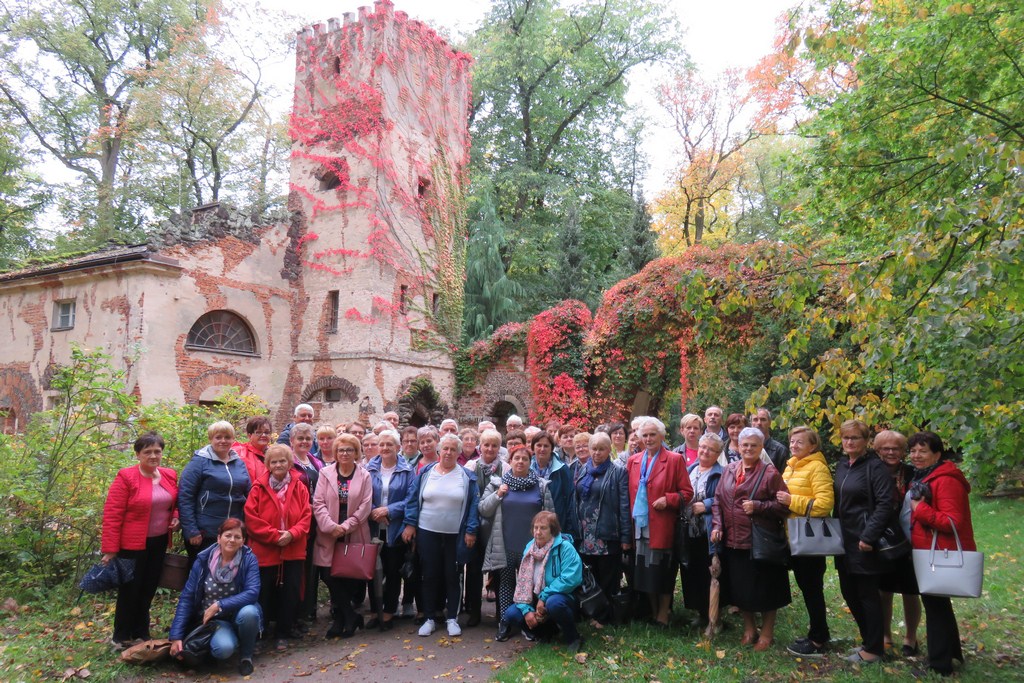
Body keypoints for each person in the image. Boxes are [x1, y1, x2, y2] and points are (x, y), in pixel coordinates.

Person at [711, 427, 790, 650]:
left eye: (754, 445)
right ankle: (749, 628)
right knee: (741, 589)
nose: (748, 449)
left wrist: (758, 506)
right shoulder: (729, 470)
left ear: (761, 447)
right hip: (733, 541)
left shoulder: (770, 473)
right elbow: (717, 500)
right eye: (745, 445)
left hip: (760, 542)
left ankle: (767, 632)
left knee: (766, 589)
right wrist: (717, 525)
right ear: (739, 445)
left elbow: (783, 507)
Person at [101, 432, 179, 648]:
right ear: (138, 455)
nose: (153, 456)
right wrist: (110, 549)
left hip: (159, 542)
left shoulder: (169, 475)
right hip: (132, 545)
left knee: (149, 587)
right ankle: (122, 635)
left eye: (157, 451)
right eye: (148, 452)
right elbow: (112, 513)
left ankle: (141, 631)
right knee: (130, 589)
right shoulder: (126, 477)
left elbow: (176, 503)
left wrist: (175, 517)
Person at [908, 431, 975, 677]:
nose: (916, 456)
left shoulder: (946, 480)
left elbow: (952, 521)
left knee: (935, 606)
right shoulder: (927, 477)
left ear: (937, 454)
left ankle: (939, 665)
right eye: (913, 450)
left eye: (922, 451)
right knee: (938, 604)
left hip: (940, 551)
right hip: (929, 549)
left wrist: (920, 508)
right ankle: (952, 653)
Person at [402, 433, 479, 638]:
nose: (448, 452)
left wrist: (471, 530)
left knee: (452, 575)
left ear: (458, 452)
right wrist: (410, 524)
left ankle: (452, 618)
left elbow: (473, 505)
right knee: (429, 575)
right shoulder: (426, 472)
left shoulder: (467, 477)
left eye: (453, 449)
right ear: (439, 450)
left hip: (455, 534)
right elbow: (412, 499)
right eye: (445, 448)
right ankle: (429, 618)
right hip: (428, 532)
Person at [833, 419, 897, 664]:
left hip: (864, 541)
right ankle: (869, 639)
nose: (849, 442)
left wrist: (869, 536)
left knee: (867, 594)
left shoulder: (874, 467)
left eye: (855, 438)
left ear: (866, 441)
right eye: (845, 438)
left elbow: (884, 504)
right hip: (843, 540)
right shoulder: (842, 465)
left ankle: (874, 649)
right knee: (849, 591)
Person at [169, 519, 261, 676]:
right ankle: (222, 642)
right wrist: (176, 636)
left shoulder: (248, 559)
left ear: (243, 541)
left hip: (237, 614)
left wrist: (219, 605)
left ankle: (246, 656)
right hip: (213, 622)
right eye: (228, 535)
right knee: (223, 650)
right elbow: (187, 597)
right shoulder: (203, 560)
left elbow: (252, 592)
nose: (232, 540)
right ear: (219, 538)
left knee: (250, 612)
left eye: (237, 537)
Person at [243, 444, 310, 650]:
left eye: (283, 461)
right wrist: (274, 537)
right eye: (274, 461)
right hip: (265, 550)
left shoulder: (299, 486)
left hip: (293, 548)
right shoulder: (258, 487)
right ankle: (260, 633)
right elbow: (251, 519)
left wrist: (292, 534)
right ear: (268, 465)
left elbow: (307, 515)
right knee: (263, 593)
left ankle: (283, 632)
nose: (279, 464)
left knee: (290, 593)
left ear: (290, 463)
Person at [627, 416, 693, 626]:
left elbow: (687, 493)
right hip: (640, 526)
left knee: (663, 571)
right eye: (644, 435)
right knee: (646, 571)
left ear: (662, 436)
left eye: (652, 435)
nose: (648, 439)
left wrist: (669, 499)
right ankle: (653, 611)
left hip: (662, 525)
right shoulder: (634, 461)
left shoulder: (674, 459)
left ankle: (664, 613)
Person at [775, 426, 834, 657]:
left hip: (810, 539)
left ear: (813, 446)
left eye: (800, 442)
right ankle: (818, 631)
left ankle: (818, 638)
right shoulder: (791, 466)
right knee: (807, 587)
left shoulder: (817, 467)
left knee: (812, 589)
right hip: (793, 537)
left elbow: (824, 504)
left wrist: (791, 501)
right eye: (792, 441)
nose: (794, 445)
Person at [480, 445, 556, 623]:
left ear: (531, 462)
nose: (520, 461)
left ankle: (530, 624)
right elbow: (483, 509)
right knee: (506, 586)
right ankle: (505, 623)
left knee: (531, 586)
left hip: (533, 549)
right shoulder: (497, 484)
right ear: (510, 461)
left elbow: (551, 517)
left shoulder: (541, 485)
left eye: (525, 459)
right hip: (506, 545)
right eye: (517, 458)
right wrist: (498, 495)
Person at [496, 511, 584, 651]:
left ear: (553, 530)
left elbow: (571, 578)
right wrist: (526, 611)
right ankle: (546, 633)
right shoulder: (529, 548)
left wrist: (544, 596)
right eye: (536, 528)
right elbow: (523, 583)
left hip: (563, 597)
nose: (538, 532)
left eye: (543, 528)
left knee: (554, 603)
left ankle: (573, 637)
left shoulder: (565, 547)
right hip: (535, 600)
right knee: (512, 614)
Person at [312, 433, 372, 639]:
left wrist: (346, 526)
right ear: (335, 452)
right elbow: (318, 502)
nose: (344, 453)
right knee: (329, 575)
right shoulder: (325, 473)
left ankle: (341, 619)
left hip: (353, 532)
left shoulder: (364, 475)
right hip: (329, 533)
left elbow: (365, 506)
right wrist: (330, 526)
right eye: (341, 450)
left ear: (356, 453)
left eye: (349, 450)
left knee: (348, 576)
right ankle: (348, 615)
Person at [874, 429, 922, 657]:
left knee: (911, 591)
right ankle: (885, 636)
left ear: (903, 451)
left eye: (896, 448)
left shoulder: (914, 473)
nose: (891, 452)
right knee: (884, 591)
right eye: (886, 448)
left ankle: (910, 637)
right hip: (882, 540)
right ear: (877, 450)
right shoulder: (872, 471)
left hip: (910, 540)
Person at [574, 432, 630, 621]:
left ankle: (607, 617)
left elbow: (623, 506)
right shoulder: (582, 470)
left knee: (607, 578)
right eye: (594, 448)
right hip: (584, 534)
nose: (597, 453)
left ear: (609, 450)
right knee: (589, 577)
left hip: (606, 533)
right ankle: (591, 614)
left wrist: (625, 537)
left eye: (602, 449)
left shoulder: (618, 472)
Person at [178, 421, 251, 562]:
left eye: (227, 437)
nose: (223, 441)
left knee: (228, 574)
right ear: (211, 439)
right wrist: (191, 530)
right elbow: (185, 496)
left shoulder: (239, 463)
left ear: (233, 440)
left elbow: (249, 493)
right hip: (205, 532)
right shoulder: (199, 462)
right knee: (201, 575)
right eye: (218, 437)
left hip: (232, 532)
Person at [365, 429, 415, 631]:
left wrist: (389, 510)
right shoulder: (368, 469)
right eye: (382, 444)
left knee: (393, 571)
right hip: (373, 528)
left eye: (389, 445)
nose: (385, 448)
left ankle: (389, 612)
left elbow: (411, 500)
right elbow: (361, 496)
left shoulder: (407, 470)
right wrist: (373, 511)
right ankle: (375, 610)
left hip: (396, 529)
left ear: (398, 447)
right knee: (372, 571)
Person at [680, 433, 724, 629]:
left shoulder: (721, 474)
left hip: (708, 532)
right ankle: (699, 612)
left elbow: (727, 499)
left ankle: (713, 614)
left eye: (711, 449)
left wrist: (706, 505)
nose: (705, 451)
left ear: (718, 453)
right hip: (688, 530)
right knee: (692, 572)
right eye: (703, 447)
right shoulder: (689, 469)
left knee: (709, 573)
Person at [466, 429, 508, 624]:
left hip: (497, 527)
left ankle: (501, 614)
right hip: (475, 526)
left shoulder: (506, 468)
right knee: (474, 570)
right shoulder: (470, 466)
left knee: (499, 570)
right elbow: (468, 499)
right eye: (486, 445)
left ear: (499, 448)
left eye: (494, 445)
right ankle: (474, 612)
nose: (490, 449)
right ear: (479, 446)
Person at [290, 422, 324, 626]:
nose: (304, 442)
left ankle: (307, 609)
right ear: (292, 441)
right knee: (297, 569)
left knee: (310, 566)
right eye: (300, 438)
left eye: (308, 438)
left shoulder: (315, 462)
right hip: (297, 520)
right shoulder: (288, 461)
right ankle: (293, 613)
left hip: (315, 521)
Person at [530, 431, 580, 541]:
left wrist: (568, 527)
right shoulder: (526, 468)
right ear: (533, 447)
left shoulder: (561, 469)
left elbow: (569, 500)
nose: (542, 449)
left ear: (552, 448)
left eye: (546, 446)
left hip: (557, 523)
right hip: (532, 525)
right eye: (539, 445)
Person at [232, 417, 271, 484]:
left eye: (267, 432)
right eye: (258, 432)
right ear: (249, 435)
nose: (263, 435)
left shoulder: (276, 453)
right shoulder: (239, 452)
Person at [751, 408, 788, 472]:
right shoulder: (744, 448)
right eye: (755, 419)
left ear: (769, 423)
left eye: (763, 419)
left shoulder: (780, 450)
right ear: (751, 423)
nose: (759, 423)